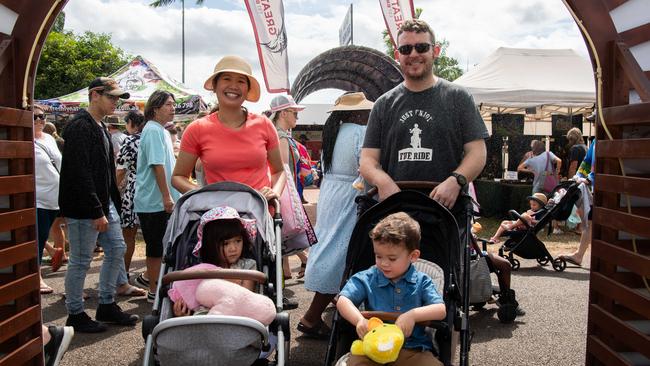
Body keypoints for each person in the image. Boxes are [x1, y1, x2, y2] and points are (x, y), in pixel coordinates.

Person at [359, 19, 488, 213]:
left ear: (435, 51)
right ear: (397, 55)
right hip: (396, 212)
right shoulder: (383, 104)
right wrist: (383, 181)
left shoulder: (458, 97)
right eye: (406, 49)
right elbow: (368, 159)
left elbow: (477, 152)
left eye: (421, 47)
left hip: (446, 212)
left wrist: (456, 181)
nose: (413, 54)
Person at [59, 77, 139, 333]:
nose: (116, 102)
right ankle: (75, 313)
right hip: (86, 207)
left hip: (103, 205)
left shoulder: (100, 126)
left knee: (116, 249)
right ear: (95, 95)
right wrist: (96, 210)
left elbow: (103, 171)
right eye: (112, 97)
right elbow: (79, 173)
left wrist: (109, 205)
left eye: (117, 98)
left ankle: (106, 303)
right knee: (81, 261)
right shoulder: (80, 127)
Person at [299, 92, 373, 339]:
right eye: (365, 111)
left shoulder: (333, 133)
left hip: (331, 193)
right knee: (341, 251)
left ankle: (338, 300)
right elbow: (365, 168)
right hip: (351, 194)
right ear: (355, 113)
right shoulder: (359, 133)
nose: (368, 115)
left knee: (329, 243)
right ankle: (311, 317)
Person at [337, 212, 446, 366]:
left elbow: (440, 310)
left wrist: (412, 315)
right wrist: (359, 320)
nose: (384, 263)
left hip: (412, 349)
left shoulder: (422, 281)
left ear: (413, 256)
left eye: (392, 258)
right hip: (372, 349)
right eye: (378, 256)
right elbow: (343, 300)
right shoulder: (368, 278)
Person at [171, 55, 285, 201]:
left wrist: (275, 192)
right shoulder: (197, 129)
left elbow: (279, 171)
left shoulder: (264, 124)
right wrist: (203, 193)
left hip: (259, 215)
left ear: (248, 89)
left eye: (241, 81)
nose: (234, 86)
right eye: (226, 79)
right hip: (216, 217)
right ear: (215, 85)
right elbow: (178, 177)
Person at [134, 90, 181, 302]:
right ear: (155, 108)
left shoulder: (160, 130)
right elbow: (157, 165)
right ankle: (153, 290)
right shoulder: (152, 130)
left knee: (162, 246)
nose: (173, 108)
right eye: (169, 104)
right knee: (155, 248)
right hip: (154, 202)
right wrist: (166, 196)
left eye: (173, 104)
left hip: (161, 199)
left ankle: (149, 280)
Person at [172, 206, 258, 316]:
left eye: (238, 241)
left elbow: (246, 297)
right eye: (225, 244)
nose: (233, 248)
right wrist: (183, 313)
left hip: (237, 317)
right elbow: (194, 300)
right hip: (203, 321)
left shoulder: (248, 266)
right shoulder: (201, 270)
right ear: (211, 245)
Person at [268, 94, 309, 282]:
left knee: (281, 234)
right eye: (295, 113)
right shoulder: (281, 137)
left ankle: (284, 275)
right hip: (283, 189)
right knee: (283, 231)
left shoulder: (278, 135)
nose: (297, 117)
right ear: (283, 113)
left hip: (281, 188)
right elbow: (283, 169)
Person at [115, 110, 147, 297]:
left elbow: (120, 170)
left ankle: (124, 276)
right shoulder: (156, 137)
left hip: (134, 190)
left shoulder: (130, 141)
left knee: (128, 234)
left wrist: (113, 190)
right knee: (153, 236)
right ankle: (152, 274)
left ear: (132, 124)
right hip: (154, 189)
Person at [33, 105, 62, 294]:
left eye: (42, 116)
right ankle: (38, 278)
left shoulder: (50, 138)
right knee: (38, 238)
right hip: (38, 199)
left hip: (56, 199)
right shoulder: (25, 140)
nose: (40, 120)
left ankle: (53, 252)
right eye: (35, 117)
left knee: (42, 236)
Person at [559, 139, 596, 266]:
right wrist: (578, 175)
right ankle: (579, 255)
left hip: (607, 188)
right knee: (589, 222)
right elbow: (587, 161)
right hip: (594, 189)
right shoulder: (596, 141)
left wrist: (589, 179)